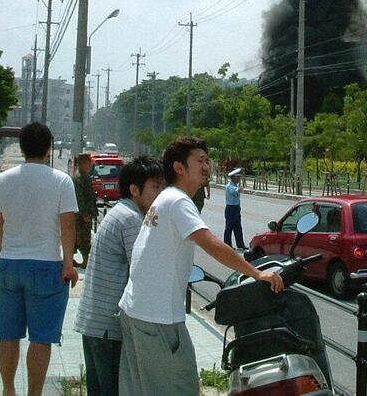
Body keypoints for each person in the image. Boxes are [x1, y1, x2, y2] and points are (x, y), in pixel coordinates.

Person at [118, 137, 284, 395]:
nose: (207, 166)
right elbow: (210, 242)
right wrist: (256, 272)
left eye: (207, 160)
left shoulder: (166, 198)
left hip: (139, 310)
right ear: (179, 168)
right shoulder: (177, 201)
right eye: (199, 160)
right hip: (156, 316)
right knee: (177, 388)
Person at [0, 122, 79, 396]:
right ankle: (34, 394)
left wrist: (8, 252)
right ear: (49, 146)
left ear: (21, 146)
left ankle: (8, 390)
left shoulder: (4, 179)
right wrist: (68, 264)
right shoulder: (61, 181)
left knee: (8, 333)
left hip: (10, 264)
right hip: (47, 266)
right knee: (41, 337)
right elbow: (68, 226)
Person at [75, 157, 165, 396]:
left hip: (96, 321)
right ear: (135, 190)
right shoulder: (131, 219)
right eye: (156, 187)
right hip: (108, 326)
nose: (161, 194)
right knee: (112, 390)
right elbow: (143, 270)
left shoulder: (121, 212)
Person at [73, 153, 96, 268]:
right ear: (84, 163)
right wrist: (85, 214)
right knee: (83, 237)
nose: (91, 165)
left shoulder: (84, 176)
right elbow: (79, 198)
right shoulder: (79, 177)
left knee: (81, 237)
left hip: (84, 214)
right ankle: (85, 259)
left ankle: (82, 259)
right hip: (81, 216)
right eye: (89, 162)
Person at [224, 167, 246, 249]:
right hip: (230, 209)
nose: (239, 179)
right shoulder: (229, 186)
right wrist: (239, 189)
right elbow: (235, 191)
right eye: (238, 177)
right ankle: (227, 245)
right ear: (233, 178)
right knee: (229, 227)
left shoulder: (235, 185)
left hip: (236, 208)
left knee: (238, 227)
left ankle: (240, 245)